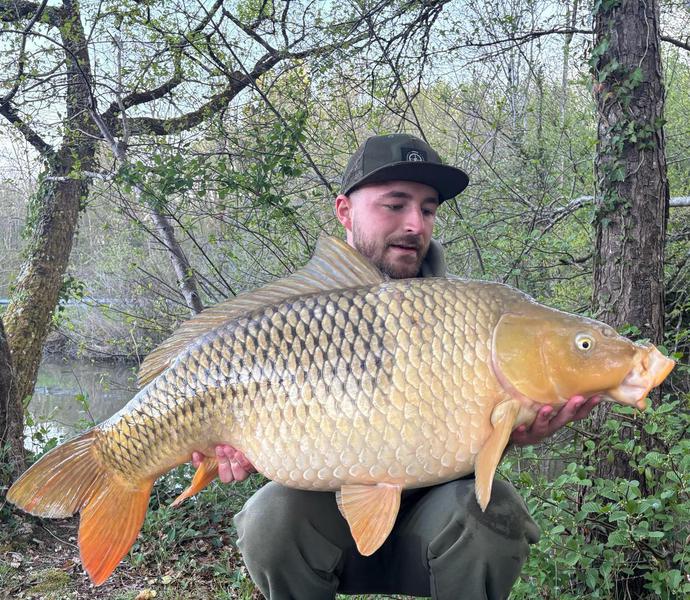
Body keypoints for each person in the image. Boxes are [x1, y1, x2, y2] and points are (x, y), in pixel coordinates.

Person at [192, 133, 600, 599]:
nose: (415, 224)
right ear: (344, 211)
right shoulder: (295, 319)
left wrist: (512, 433)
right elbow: (266, 431)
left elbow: (467, 438)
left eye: (428, 209)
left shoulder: (468, 315)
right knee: (268, 518)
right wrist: (238, 445)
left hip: (435, 529)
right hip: (329, 528)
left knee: (494, 511)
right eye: (395, 204)